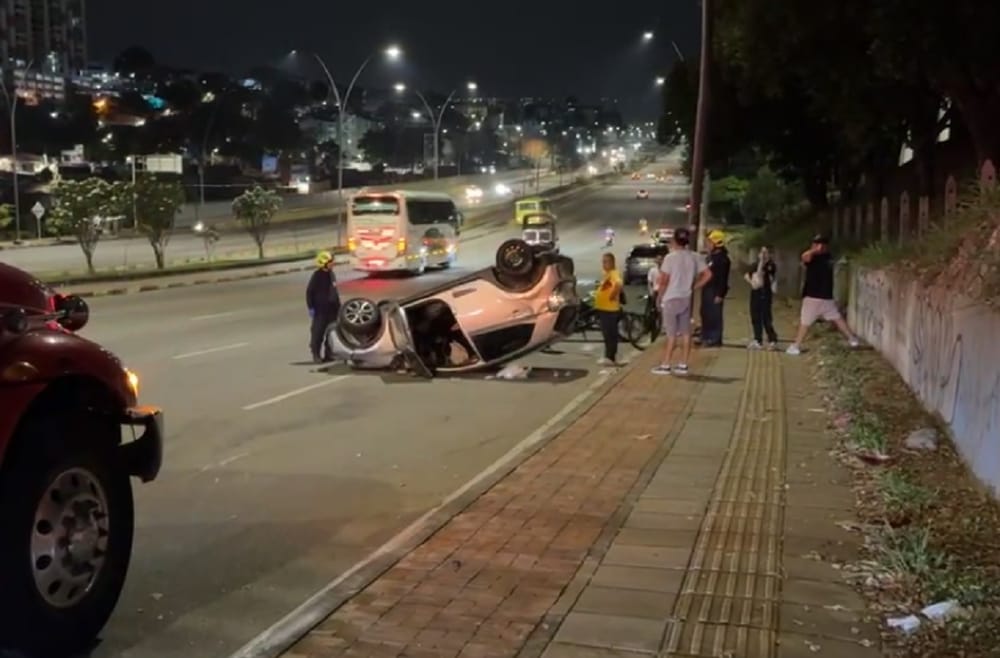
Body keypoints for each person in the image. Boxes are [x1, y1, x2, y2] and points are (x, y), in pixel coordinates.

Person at [652, 228, 712, 375]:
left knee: (671, 333)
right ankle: (683, 364)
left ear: (674, 241)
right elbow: (708, 274)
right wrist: (694, 286)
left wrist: (660, 296)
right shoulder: (695, 256)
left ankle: (666, 364)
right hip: (686, 297)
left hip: (671, 298)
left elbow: (664, 280)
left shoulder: (670, 258)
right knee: (686, 332)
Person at [786, 234, 860, 355]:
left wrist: (814, 250)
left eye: (817, 244)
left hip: (813, 296)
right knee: (837, 317)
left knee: (805, 322)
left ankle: (796, 346)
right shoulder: (828, 257)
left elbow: (805, 257)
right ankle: (852, 339)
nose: (814, 246)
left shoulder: (816, 257)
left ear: (821, 246)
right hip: (826, 296)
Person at [306, 251, 341, 363]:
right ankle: (316, 354)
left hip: (333, 310)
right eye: (331, 262)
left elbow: (334, 292)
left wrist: (339, 306)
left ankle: (329, 354)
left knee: (332, 333)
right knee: (318, 333)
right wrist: (311, 307)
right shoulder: (317, 276)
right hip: (321, 310)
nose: (333, 263)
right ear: (324, 263)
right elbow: (309, 292)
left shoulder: (331, 274)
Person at [699, 229, 731, 346]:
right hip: (707, 289)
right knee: (705, 312)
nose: (708, 244)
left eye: (710, 242)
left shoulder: (723, 259)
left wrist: (720, 294)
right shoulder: (711, 257)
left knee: (714, 315)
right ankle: (705, 335)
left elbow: (723, 278)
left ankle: (714, 338)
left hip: (715, 290)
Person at [593, 252, 624, 366]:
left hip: (609, 310)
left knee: (610, 334)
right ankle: (609, 356)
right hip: (604, 309)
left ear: (612, 262)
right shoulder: (607, 274)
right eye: (603, 261)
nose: (603, 264)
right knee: (607, 334)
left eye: (606, 261)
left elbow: (619, 284)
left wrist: (612, 295)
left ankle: (610, 357)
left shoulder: (613, 273)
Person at [745, 246, 778, 350]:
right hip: (755, 292)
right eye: (762, 252)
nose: (763, 255)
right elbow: (748, 275)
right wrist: (751, 281)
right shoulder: (754, 264)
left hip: (765, 293)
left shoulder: (770, 266)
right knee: (755, 315)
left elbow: (761, 274)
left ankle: (772, 339)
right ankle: (757, 339)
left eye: (765, 253)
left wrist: (762, 263)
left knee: (766, 317)